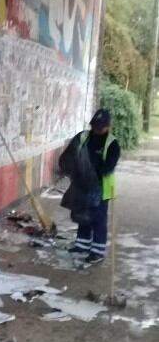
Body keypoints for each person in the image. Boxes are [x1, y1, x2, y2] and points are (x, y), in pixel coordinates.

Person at [59, 108, 121, 264]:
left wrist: (91, 174)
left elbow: (108, 167)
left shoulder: (112, 143)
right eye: (95, 125)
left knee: (98, 218)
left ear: (108, 126)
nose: (97, 129)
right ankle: (82, 245)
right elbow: (69, 155)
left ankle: (97, 251)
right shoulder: (83, 137)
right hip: (82, 184)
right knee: (83, 215)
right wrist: (74, 170)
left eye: (101, 127)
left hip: (101, 187)